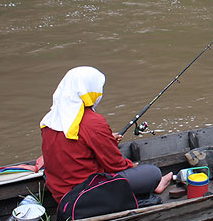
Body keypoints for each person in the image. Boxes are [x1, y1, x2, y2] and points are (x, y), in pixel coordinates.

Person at [40, 66, 173, 203]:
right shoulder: (93, 122)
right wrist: (132, 166)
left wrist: (107, 139)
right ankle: (156, 184)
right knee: (152, 173)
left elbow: (76, 149)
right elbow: (115, 165)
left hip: (59, 192)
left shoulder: (49, 119)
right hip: (85, 194)